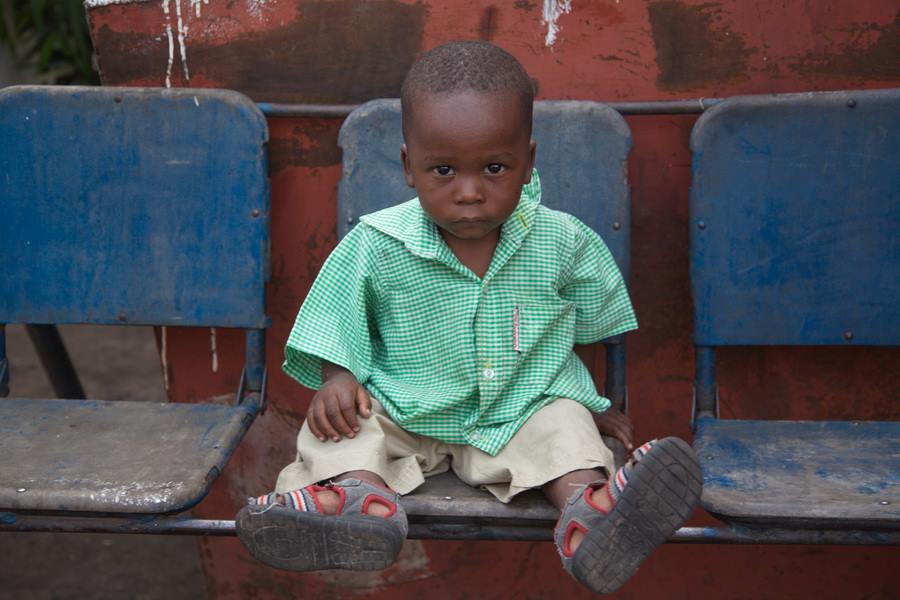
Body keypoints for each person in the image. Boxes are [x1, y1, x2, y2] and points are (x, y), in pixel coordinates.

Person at [236, 40, 701, 594]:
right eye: (444, 170)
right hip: (404, 408)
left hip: (516, 408)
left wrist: (585, 407)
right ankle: (355, 502)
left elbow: (576, 339)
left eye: (496, 168)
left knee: (564, 429)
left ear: (528, 162)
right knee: (343, 428)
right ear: (409, 166)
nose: (471, 192)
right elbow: (336, 319)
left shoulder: (564, 243)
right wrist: (337, 378)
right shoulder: (376, 243)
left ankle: (592, 514)